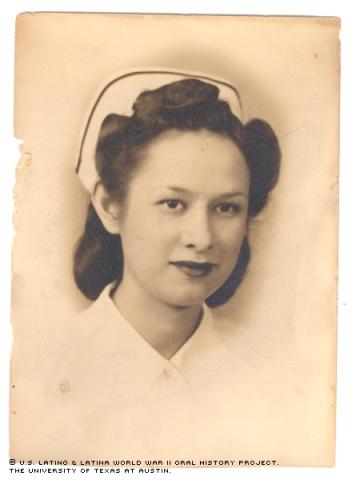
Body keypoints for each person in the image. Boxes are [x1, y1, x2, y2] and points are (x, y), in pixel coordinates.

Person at [58, 68, 281, 461]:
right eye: (173, 203)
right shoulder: (37, 378)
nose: (203, 237)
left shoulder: (276, 389)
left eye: (227, 208)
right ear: (111, 207)